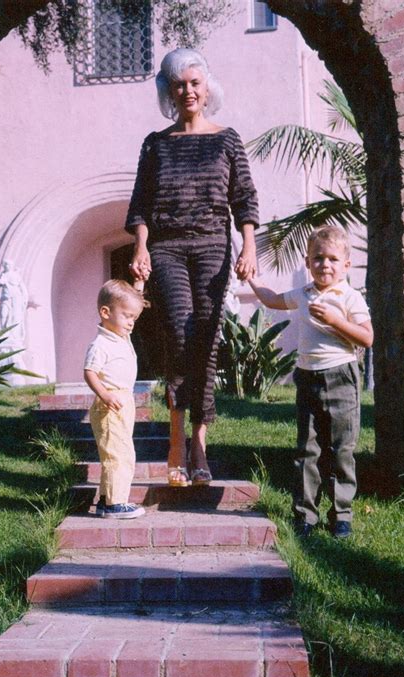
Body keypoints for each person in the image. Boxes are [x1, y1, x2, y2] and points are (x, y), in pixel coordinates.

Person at [126, 48, 259, 487]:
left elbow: (244, 199)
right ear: (168, 90)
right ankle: (177, 440)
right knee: (180, 335)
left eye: (195, 83)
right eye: (179, 84)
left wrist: (249, 248)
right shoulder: (156, 143)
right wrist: (141, 248)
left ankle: (199, 442)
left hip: (212, 249)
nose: (188, 91)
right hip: (166, 249)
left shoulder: (227, 139)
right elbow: (141, 205)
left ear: (207, 87)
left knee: (206, 337)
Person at [249, 225, 373, 539]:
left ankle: (341, 514)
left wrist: (336, 320)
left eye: (333, 259)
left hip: (340, 376)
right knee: (308, 448)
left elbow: (367, 337)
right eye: (318, 258)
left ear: (346, 265)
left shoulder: (349, 297)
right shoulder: (303, 294)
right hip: (307, 377)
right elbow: (273, 300)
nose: (325, 264)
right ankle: (305, 515)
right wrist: (251, 277)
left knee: (341, 449)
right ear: (307, 261)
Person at [84, 279, 148, 518]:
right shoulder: (101, 343)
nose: (131, 323)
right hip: (109, 405)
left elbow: (134, 300)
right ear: (105, 313)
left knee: (118, 452)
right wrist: (104, 394)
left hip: (122, 403)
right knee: (118, 455)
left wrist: (139, 282)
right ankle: (115, 504)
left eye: (134, 318)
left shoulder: (120, 336)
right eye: (127, 317)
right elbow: (89, 372)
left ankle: (104, 500)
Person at [0, 259, 28, 345]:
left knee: (15, 316)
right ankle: (4, 332)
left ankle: (13, 335)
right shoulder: (3, 275)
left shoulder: (16, 275)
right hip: (5, 298)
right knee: (3, 313)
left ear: (11, 266)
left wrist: (25, 298)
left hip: (16, 298)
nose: (7, 266)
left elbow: (22, 288)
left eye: (8, 265)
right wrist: (0, 282)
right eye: (5, 265)